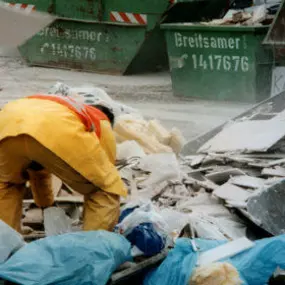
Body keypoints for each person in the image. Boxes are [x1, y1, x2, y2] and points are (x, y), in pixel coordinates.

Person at [0, 94, 127, 232]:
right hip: (53, 129)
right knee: (105, 189)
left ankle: (7, 244)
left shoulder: (62, 107)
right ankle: (92, 248)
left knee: (7, 184)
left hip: (8, 122)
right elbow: (105, 171)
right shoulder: (100, 119)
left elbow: (38, 172)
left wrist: (46, 206)